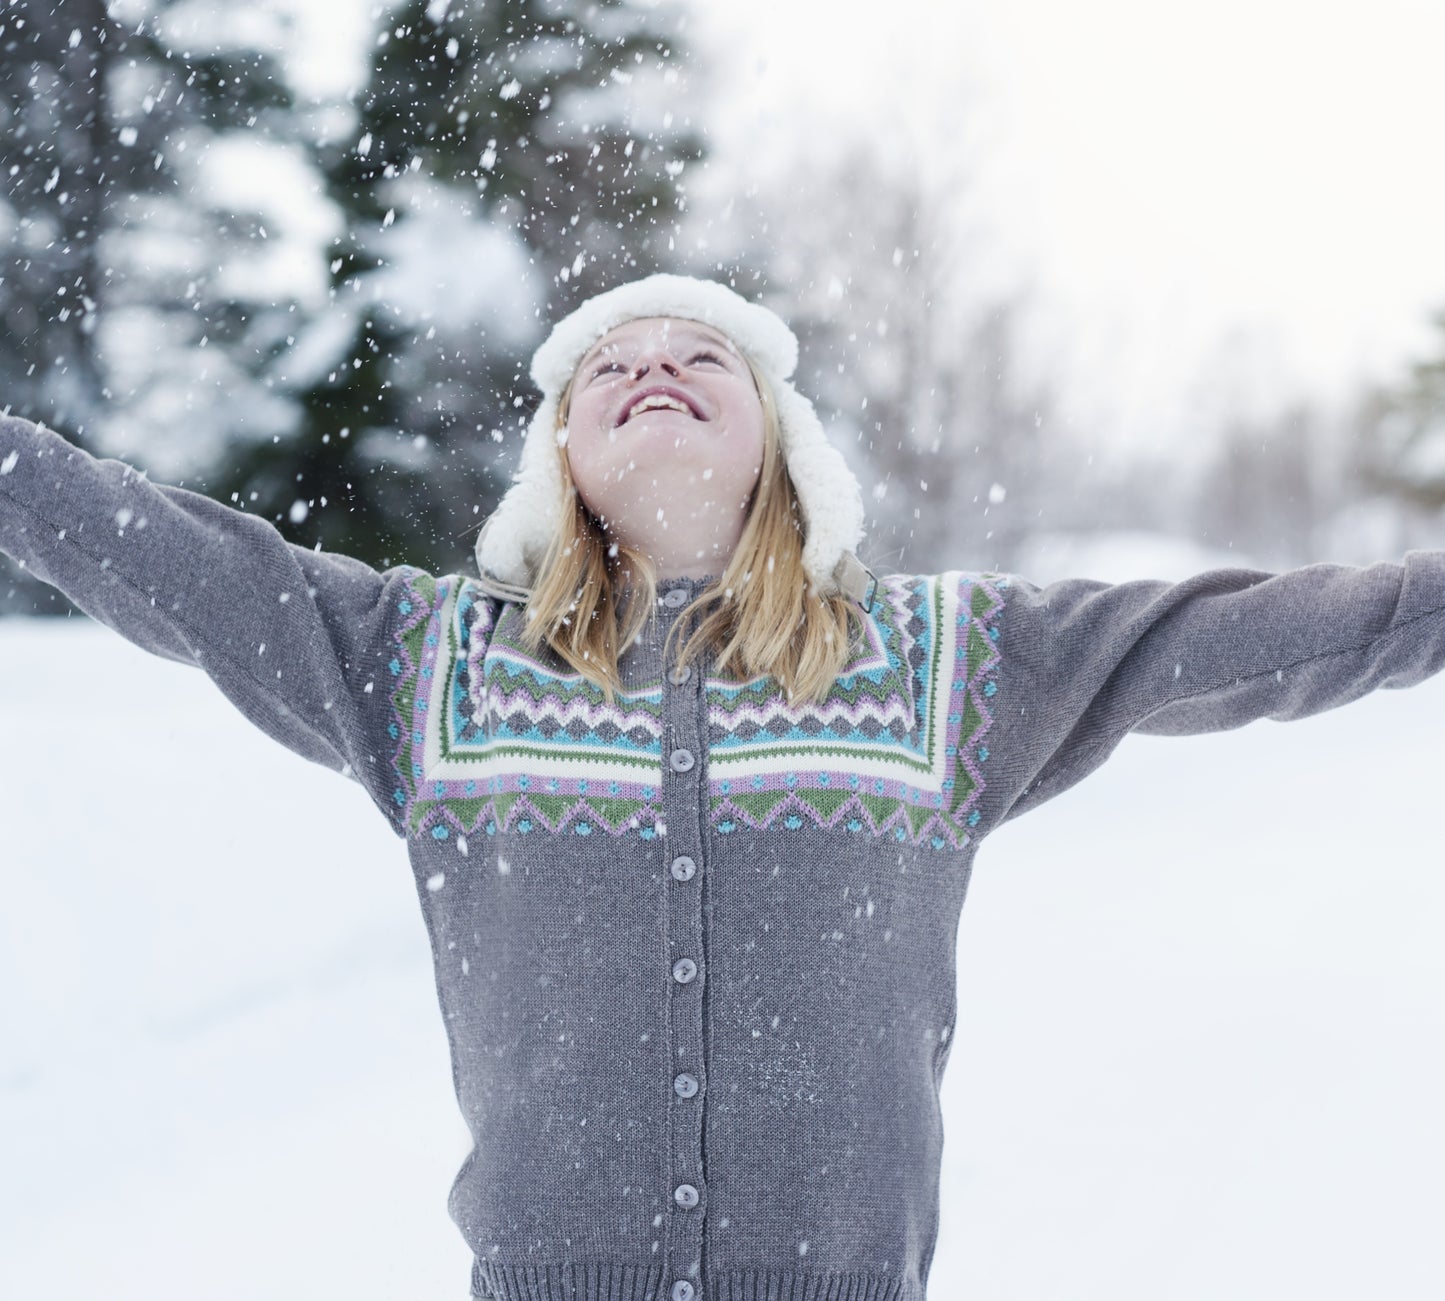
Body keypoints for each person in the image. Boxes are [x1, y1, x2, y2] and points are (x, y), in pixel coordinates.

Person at [4, 271, 1445, 1301]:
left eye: (703, 358)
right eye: (609, 367)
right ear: (561, 459)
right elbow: (160, 555)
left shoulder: (944, 660)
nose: (653, 370)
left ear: (779, 449)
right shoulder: (426, 662)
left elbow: (1259, 633)